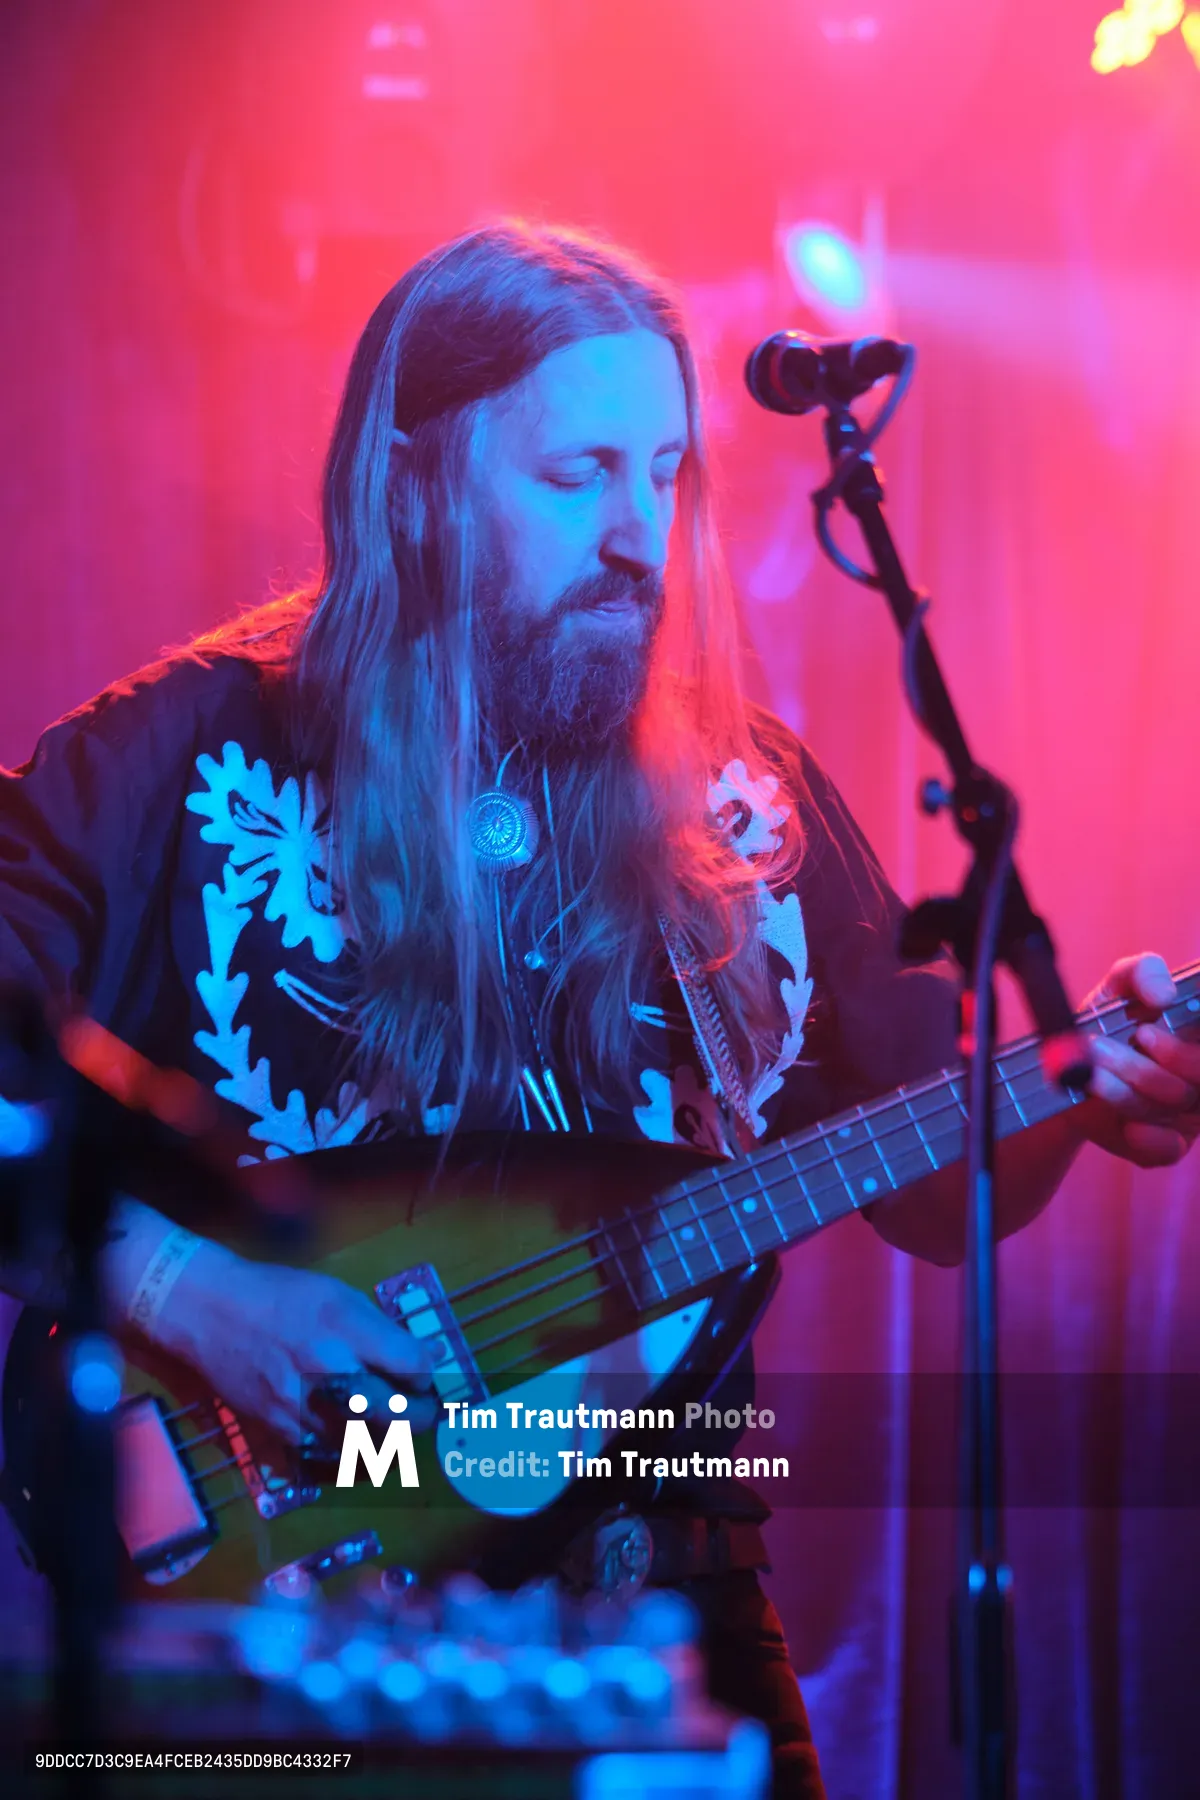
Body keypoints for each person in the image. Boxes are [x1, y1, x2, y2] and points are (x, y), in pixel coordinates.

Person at [0, 222, 1197, 1798]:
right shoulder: (184, 755)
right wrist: (196, 1295)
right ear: (417, 480)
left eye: (668, 475)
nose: (641, 534)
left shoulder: (743, 803)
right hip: (284, 1623)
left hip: (665, 1581)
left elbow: (924, 1173)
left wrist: (1094, 1082)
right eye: (578, 479)